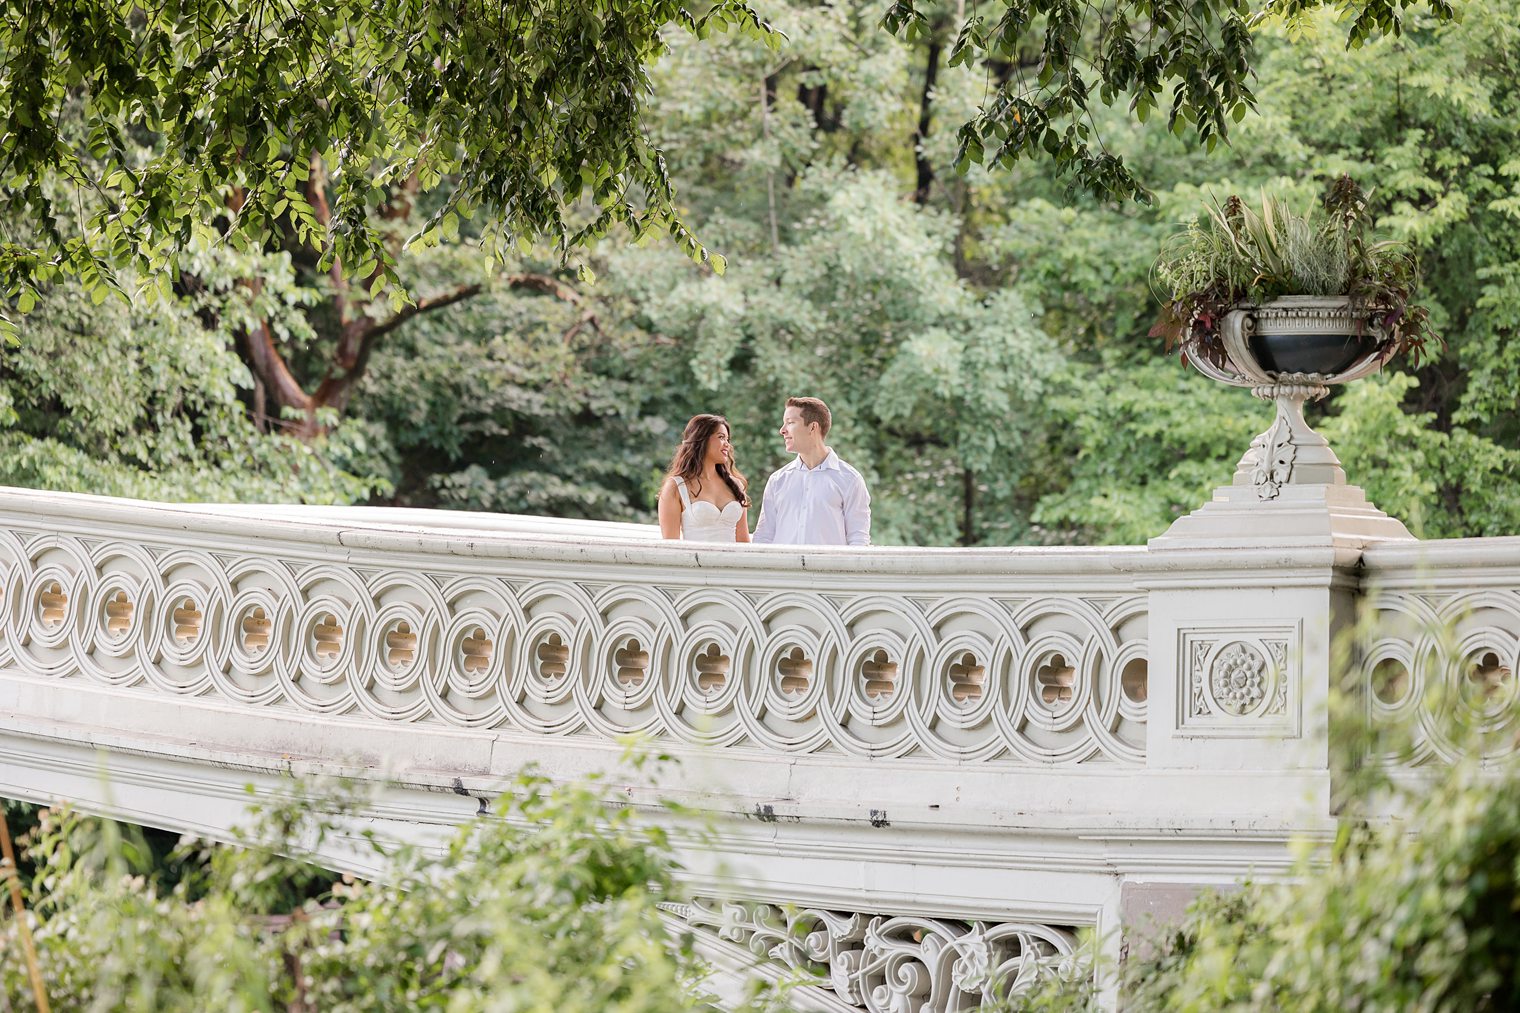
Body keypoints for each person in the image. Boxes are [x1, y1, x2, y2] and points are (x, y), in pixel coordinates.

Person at [752, 396, 871, 546]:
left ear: (813, 427)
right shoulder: (777, 480)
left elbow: (858, 540)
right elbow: (764, 537)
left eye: (790, 423)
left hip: (829, 569)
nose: (782, 430)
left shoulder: (850, 479)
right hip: (784, 569)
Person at [658, 414, 752, 543]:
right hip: (695, 562)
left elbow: (743, 541)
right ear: (701, 439)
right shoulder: (676, 487)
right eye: (721, 437)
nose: (727, 445)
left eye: (728, 439)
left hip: (733, 562)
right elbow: (670, 546)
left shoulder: (735, 485)